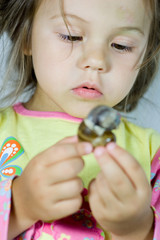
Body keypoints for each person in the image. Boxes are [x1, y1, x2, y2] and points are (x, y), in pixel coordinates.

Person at [0, 0, 160, 239]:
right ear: (26, 35)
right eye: (71, 36)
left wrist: (138, 228)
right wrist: (19, 209)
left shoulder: (152, 152)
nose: (96, 61)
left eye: (121, 45)